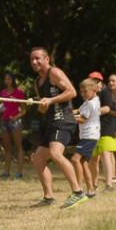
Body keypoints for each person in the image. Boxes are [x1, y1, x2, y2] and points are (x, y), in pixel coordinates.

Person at [28, 46, 86, 209]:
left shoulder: (55, 73)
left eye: (38, 58)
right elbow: (44, 107)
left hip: (64, 121)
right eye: (32, 59)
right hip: (51, 123)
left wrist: (51, 100)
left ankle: (78, 192)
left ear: (47, 59)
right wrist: (40, 105)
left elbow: (72, 92)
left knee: (55, 153)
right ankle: (48, 197)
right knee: (38, 158)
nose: (34, 61)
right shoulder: (37, 82)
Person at [88, 71, 116, 190]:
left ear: (101, 82)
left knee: (105, 154)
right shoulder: (90, 95)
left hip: (106, 128)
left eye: (97, 81)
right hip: (93, 129)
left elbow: (106, 108)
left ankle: (109, 184)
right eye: (92, 81)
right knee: (93, 158)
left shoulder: (106, 92)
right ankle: (94, 184)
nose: (95, 83)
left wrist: (91, 113)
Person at [72, 78, 101, 197]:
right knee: (83, 162)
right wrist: (66, 111)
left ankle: (78, 189)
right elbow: (78, 111)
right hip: (89, 136)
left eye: (85, 91)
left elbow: (82, 119)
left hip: (89, 137)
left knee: (75, 159)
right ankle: (90, 190)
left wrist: (68, 118)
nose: (82, 94)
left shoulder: (90, 103)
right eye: (81, 91)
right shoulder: (91, 100)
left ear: (94, 90)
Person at [0, 71, 27, 178]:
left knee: (19, 147)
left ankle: (19, 172)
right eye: (5, 79)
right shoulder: (2, 93)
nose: (7, 81)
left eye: (9, 79)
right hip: (4, 122)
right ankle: (6, 172)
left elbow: (24, 110)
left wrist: (15, 117)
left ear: (13, 80)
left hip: (15, 122)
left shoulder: (19, 93)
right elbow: (2, 107)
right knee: (7, 148)